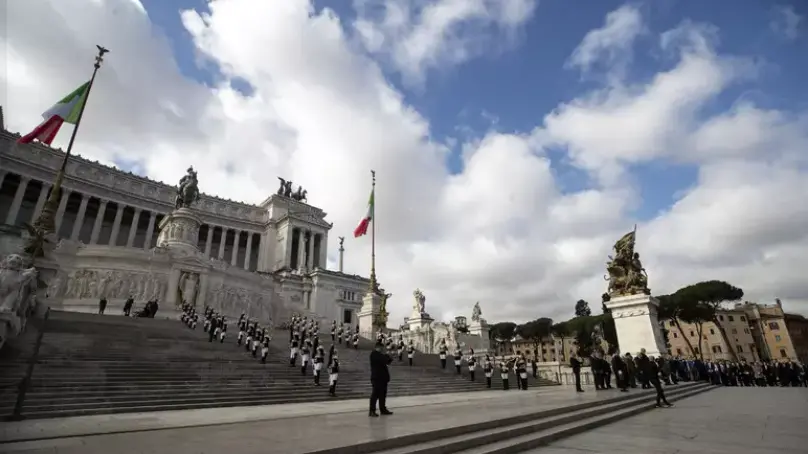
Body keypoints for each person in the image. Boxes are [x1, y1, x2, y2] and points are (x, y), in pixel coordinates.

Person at [369, 340, 393, 417]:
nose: (383, 349)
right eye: (382, 348)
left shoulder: (380, 355)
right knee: (375, 395)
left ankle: (383, 409)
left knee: (383, 395)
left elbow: (388, 361)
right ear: (378, 347)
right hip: (377, 378)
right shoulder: (374, 354)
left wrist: (389, 355)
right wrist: (386, 355)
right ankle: (372, 410)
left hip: (383, 378)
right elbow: (384, 359)